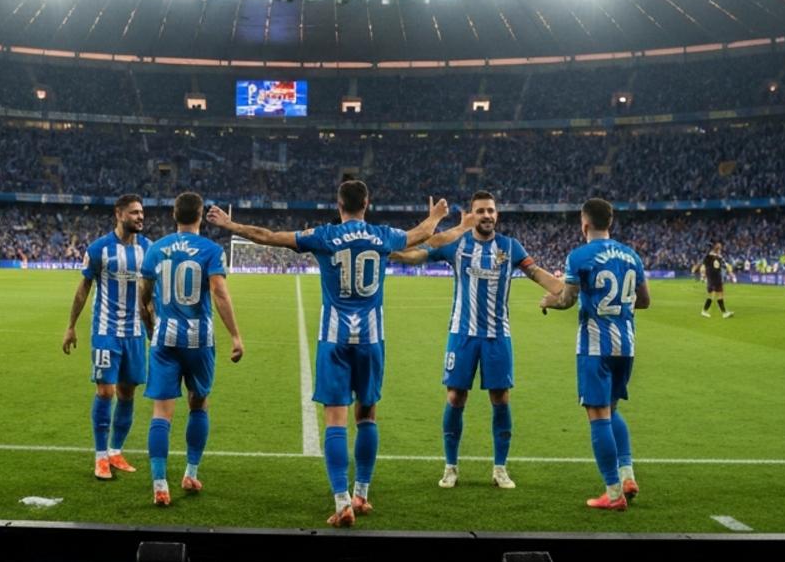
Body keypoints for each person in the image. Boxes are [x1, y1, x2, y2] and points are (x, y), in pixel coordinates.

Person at [209, 184, 464, 526]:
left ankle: (342, 501)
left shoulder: (324, 235)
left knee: (335, 420)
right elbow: (422, 234)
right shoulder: (382, 236)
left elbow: (267, 236)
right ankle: (362, 493)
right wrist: (436, 216)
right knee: (368, 415)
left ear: (338, 204)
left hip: (335, 338)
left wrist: (230, 225)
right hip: (372, 338)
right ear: (367, 204)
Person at [394, 190, 561, 492]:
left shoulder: (510, 247)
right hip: (462, 335)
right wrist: (387, 250)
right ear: (471, 215)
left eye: (491, 211)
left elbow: (536, 273)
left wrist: (565, 289)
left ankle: (500, 468)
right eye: (481, 211)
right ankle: (450, 467)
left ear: (497, 215)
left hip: (498, 337)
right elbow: (416, 256)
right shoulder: (456, 244)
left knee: (501, 399)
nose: (487, 215)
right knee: (456, 398)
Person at [539, 197, 650, 510]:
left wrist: (549, 300)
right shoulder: (632, 256)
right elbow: (644, 301)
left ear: (584, 223)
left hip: (594, 347)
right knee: (612, 410)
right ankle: (627, 475)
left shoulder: (579, 256)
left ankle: (613, 494)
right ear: (610, 223)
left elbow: (567, 300)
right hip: (626, 346)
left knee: (598, 416)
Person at [139, 191, 243, 507]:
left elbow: (144, 298)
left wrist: (150, 328)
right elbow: (220, 294)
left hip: (165, 340)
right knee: (198, 405)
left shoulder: (155, 249)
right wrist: (235, 336)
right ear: (200, 216)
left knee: (161, 413)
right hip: (199, 340)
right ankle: (190, 472)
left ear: (174, 214)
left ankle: (160, 485)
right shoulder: (211, 250)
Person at [64, 194, 153, 480]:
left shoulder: (148, 249)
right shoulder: (100, 248)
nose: (140, 217)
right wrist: (71, 326)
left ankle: (115, 451)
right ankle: (100, 456)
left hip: (135, 333)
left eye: (142, 213)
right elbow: (83, 288)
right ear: (119, 213)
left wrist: (152, 327)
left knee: (128, 393)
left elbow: (149, 295)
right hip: (106, 330)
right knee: (105, 391)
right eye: (134, 212)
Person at [693, 241, 733, 318]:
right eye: (719, 247)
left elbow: (701, 264)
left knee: (711, 296)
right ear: (717, 248)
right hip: (716, 278)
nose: (720, 249)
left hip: (711, 278)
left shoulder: (709, 256)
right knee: (719, 294)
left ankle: (704, 311)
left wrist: (699, 272)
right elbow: (726, 265)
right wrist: (731, 273)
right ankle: (724, 313)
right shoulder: (718, 257)